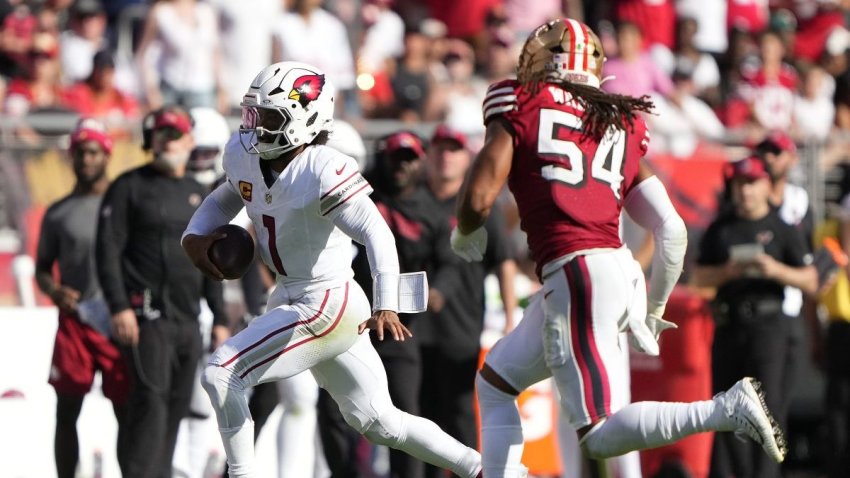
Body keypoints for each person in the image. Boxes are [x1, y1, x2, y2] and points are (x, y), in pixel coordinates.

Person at [451, 18, 787, 478]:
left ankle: (724, 410)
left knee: (600, 434)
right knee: (495, 382)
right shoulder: (618, 120)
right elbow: (671, 228)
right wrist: (654, 305)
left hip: (576, 272)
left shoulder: (521, 100)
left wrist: (466, 232)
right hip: (609, 271)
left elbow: (478, 199)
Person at [181, 61, 482, 478]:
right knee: (380, 421)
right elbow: (225, 198)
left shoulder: (322, 167)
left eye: (269, 117)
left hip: (326, 302)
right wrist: (193, 238)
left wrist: (386, 303)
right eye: (254, 114)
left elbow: (376, 232)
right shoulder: (245, 157)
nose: (256, 126)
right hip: (290, 295)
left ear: (305, 119)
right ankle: (482, 469)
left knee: (221, 373)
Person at [95, 105, 229, 478]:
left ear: (190, 140)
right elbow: (107, 250)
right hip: (147, 317)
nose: (170, 142)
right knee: (150, 403)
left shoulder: (200, 194)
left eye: (177, 135)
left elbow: (209, 260)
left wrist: (218, 317)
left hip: (188, 322)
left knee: (175, 407)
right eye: (163, 135)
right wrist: (120, 307)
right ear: (150, 140)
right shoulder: (129, 187)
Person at [694, 155, 817, 478]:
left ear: (765, 185)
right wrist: (726, 272)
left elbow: (810, 279)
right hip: (728, 325)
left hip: (768, 328)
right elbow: (698, 277)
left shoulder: (782, 226)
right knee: (725, 409)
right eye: (739, 184)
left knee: (766, 411)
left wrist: (775, 270)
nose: (745, 191)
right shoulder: (721, 228)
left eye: (751, 183)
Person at [422, 124, 517, 477]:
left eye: (453, 149)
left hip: (459, 329)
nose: (445, 157)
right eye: (439, 149)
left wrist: (510, 318)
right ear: (428, 156)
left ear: (467, 159)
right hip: (414, 329)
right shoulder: (413, 199)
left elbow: (504, 261)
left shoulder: (475, 204)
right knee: (420, 416)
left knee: (460, 414)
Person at [35, 118, 128, 478]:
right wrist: (54, 290)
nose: (86, 159)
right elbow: (43, 267)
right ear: (71, 157)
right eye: (80, 152)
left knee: (126, 410)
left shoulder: (122, 204)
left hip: (117, 322)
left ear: (106, 155)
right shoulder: (57, 213)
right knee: (66, 410)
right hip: (76, 322)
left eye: (93, 152)